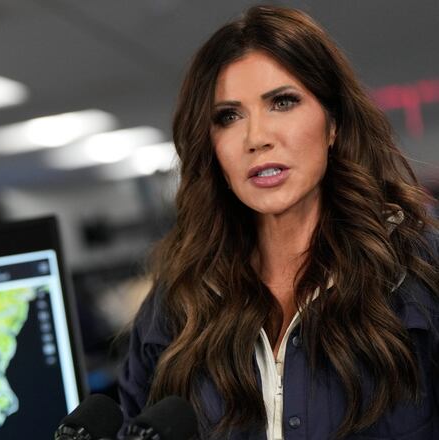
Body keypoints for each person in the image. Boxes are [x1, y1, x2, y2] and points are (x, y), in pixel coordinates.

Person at [118, 5, 438, 440]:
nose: (257, 138)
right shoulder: (180, 299)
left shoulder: (418, 270)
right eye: (228, 117)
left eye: (282, 102)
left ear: (333, 124)